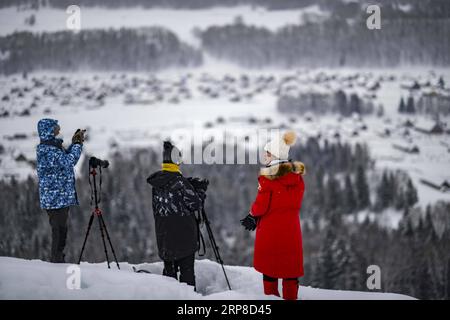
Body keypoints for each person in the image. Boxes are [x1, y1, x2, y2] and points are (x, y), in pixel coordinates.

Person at [241, 131, 306, 300]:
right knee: (289, 270)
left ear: (275, 155)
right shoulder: (297, 179)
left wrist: (251, 215)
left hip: (271, 230)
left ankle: (271, 299)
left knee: (270, 270)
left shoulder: (269, 179)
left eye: (268, 153)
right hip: (291, 230)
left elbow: (261, 205)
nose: (265, 155)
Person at [147, 141, 204, 290]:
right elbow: (195, 204)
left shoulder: (157, 184)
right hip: (184, 240)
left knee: (169, 278)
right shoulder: (180, 183)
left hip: (165, 239)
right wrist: (200, 192)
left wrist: (188, 184)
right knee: (187, 277)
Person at [36, 119, 85, 263]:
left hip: (59, 197)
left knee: (61, 230)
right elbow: (69, 161)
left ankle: (58, 258)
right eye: (56, 127)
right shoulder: (48, 151)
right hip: (55, 199)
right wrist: (77, 145)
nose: (59, 129)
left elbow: (64, 158)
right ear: (49, 131)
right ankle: (56, 260)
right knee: (59, 231)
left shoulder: (52, 148)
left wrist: (74, 144)